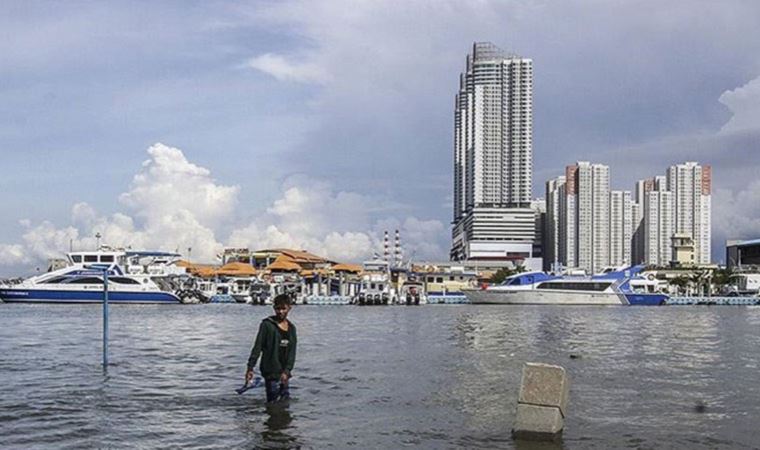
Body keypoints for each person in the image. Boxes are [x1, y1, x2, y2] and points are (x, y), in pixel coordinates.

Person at [245, 293, 297, 403]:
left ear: (289, 308)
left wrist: (287, 371)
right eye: (278, 309)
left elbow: (292, 352)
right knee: (273, 403)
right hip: (271, 371)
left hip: (284, 373)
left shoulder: (292, 328)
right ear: (274, 308)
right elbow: (257, 347)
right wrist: (250, 367)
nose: (281, 312)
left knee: (284, 404)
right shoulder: (267, 325)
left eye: (284, 308)